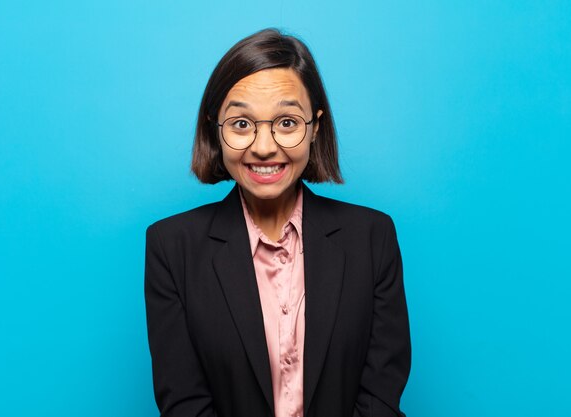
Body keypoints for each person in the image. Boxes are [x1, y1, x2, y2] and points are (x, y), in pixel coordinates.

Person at [144, 28, 411, 417]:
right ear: (214, 130)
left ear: (315, 127)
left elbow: (381, 395)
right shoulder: (171, 246)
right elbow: (184, 403)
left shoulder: (372, 237)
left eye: (286, 122)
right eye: (241, 124)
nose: (264, 146)